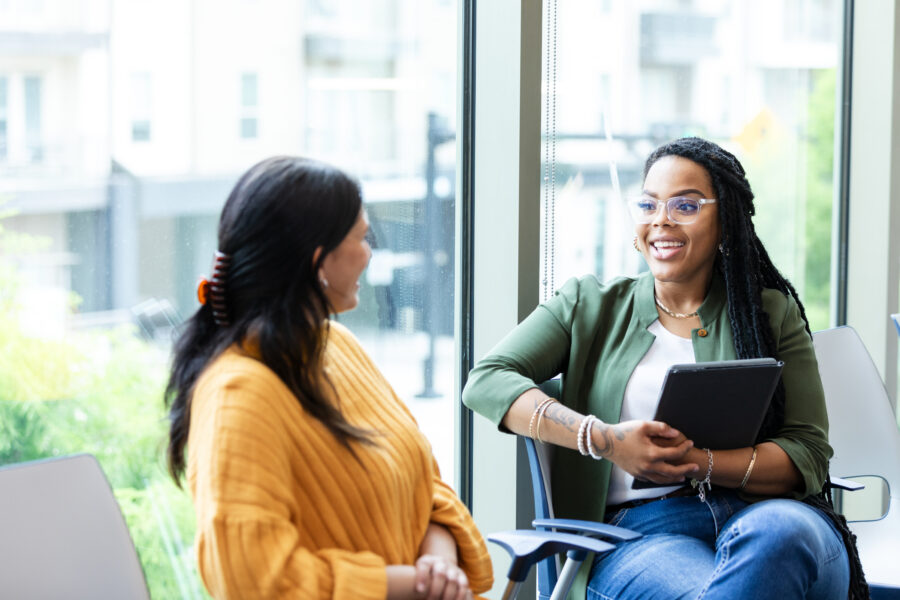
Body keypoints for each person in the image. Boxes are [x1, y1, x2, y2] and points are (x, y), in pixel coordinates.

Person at [463, 137, 867, 599]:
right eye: (648, 204)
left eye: (685, 205)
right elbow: (487, 380)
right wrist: (606, 440)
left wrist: (700, 463)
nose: (661, 220)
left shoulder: (768, 312)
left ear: (726, 222)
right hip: (643, 534)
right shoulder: (587, 305)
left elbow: (808, 452)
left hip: (769, 517)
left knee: (779, 534)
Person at [165, 156, 493, 600]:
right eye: (361, 236)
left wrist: (437, 566)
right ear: (319, 260)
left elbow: (426, 486)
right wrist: (412, 584)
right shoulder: (237, 396)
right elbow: (257, 579)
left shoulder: (338, 346)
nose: (369, 252)